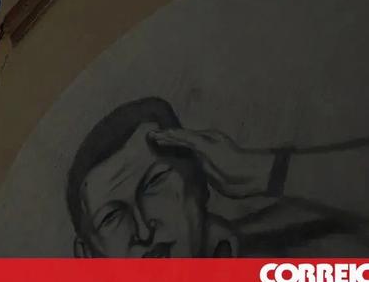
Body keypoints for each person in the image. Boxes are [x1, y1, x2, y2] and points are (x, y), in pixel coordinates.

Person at [66, 97, 369, 258]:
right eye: (111, 218)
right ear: (87, 258)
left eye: (154, 184)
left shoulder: (314, 250)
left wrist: (266, 172)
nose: (144, 231)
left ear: (198, 184)